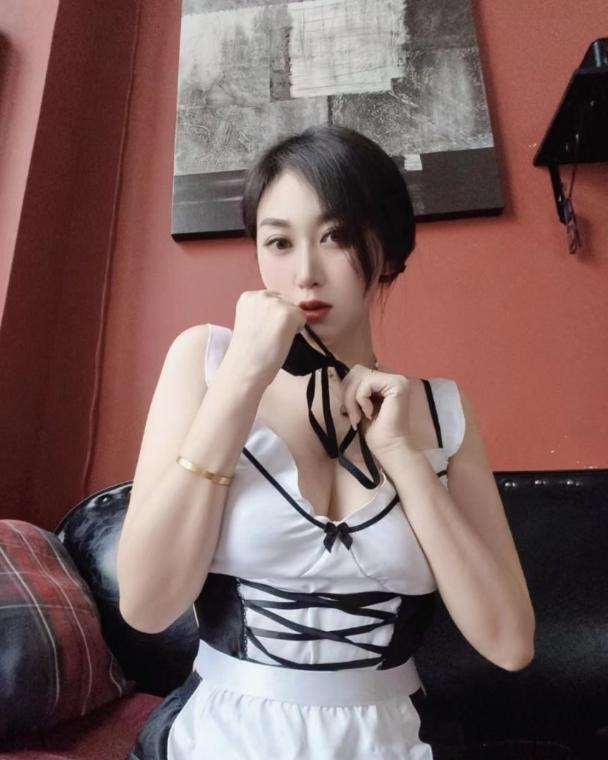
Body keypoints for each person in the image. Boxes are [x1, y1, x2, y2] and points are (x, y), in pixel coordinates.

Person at [117, 124, 535, 760]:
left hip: (390, 742)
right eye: (279, 242)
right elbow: (147, 607)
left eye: (336, 236)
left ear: (387, 251)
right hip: (220, 736)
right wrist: (242, 379)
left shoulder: (439, 409)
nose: (305, 273)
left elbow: (510, 644)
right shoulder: (205, 362)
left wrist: (403, 458)